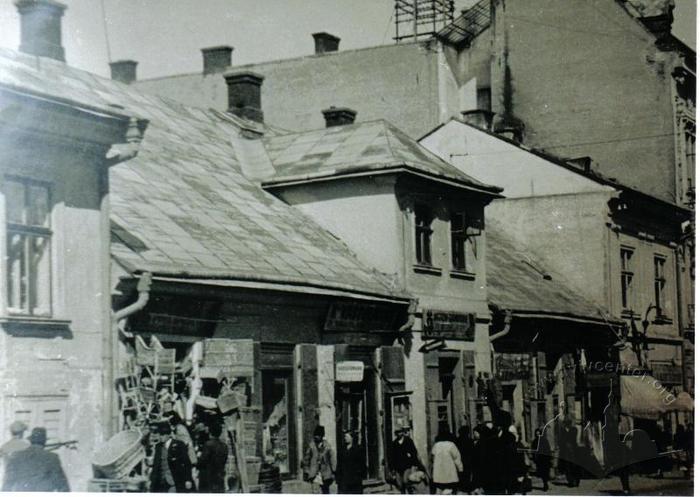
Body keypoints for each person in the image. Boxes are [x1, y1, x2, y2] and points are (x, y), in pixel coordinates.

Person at [2, 427, 69, 492]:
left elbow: (7, 484)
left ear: (31, 441)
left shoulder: (16, 456)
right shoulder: (52, 458)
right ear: (44, 442)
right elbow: (62, 486)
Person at [150, 421, 195, 493]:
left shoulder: (179, 445)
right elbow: (156, 464)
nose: (161, 437)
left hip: (174, 481)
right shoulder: (158, 446)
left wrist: (188, 479)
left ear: (169, 434)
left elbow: (187, 463)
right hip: (161, 482)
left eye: (163, 434)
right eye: (160, 434)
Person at [302, 425, 336, 494]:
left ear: (322, 436)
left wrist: (334, 471)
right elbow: (306, 459)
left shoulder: (327, 446)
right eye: (315, 435)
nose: (316, 437)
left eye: (318, 435)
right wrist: (307, 470)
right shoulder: (311, 446)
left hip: (326, 473)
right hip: (315, 473)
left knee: (326, 492)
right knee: (315, 491)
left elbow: (332, 459)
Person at [430, 426, 463, 495]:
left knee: (439, 491)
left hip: (438, 474)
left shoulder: (436, 445)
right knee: (450, 491)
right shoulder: (451, 445)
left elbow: (432, 458)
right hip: (450, 474)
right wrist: (460, 469)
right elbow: (457, 458)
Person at [197, 422, 228, 493]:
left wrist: (198, 459)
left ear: (210, 432)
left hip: (208, 476)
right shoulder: (224, 446)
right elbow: (224, 460)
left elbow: (202, 461)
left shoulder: (208, 444)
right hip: (219, 475)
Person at [389, 427, 421, 493]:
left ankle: (410, 492)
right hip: (398, 466)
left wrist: (415, 463)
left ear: (403, 432)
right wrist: (392, 468)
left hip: (407, 465)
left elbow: (414, 452)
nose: (399, 434)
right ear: (395, 434)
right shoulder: (394, 443)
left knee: (406, 481)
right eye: (397, 432)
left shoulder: (408, 441)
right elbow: (392, 456)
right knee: (400, 485)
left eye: (400, 432)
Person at [336, 430, 365, 494]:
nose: (345, 438)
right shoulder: (342, 450)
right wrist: (338, 478)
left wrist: (359, 475)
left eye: (347, 436)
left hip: (355, 479)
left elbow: (362, 464)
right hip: (344, 479)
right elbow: (339, 464)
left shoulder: (358, 449)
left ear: (352, 438)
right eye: (344, 437)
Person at [531, 427, 552, 491]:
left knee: (545, 472)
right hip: (539, 460)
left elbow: (548, 449)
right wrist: (534, 458)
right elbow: (533, 450)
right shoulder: (534, 441)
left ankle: (545, 484)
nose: (538, 435)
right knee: (542, 473)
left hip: (545, 459)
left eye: (539, 433)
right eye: (536, 434)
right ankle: (545, 483)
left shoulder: (544, 440)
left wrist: (549, 458)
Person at [455, 426, 473, 493]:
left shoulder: (457, 440)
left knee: (460, 474)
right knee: (467, 474)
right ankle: (467, 487)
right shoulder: (470, 440)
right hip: (468, 460)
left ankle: (461, 486)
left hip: (460, 460)